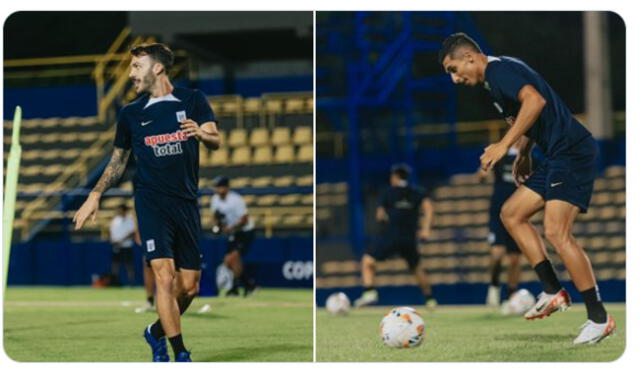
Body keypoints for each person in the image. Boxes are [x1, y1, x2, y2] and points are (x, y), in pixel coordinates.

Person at [438, 32, 615, 344]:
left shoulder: (497, 71)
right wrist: (523, 152)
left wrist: (503, 146)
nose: (454, 79)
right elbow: (529, 115)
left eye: (453, 70)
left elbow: (535, 101)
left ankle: (599, 318)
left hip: (571, 151)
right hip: (554, 154)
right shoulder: (495, 78)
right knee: (511, 213)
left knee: (557, 233)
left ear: (470, 57)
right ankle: (552, 290)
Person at [73, 43, 220, 361]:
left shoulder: (193, 100)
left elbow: (215, 139)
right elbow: (116, 162)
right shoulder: (130, 114)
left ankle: (154, 331)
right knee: (164, 276)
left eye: (136, 67)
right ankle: (179, 353)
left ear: (157, 68)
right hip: (150, 202)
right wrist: (95, 194)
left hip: (186, 203)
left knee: (190, 287)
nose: (129, 74)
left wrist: (201, 135)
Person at [354, 164, 436, 309]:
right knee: (417, 268)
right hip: (409, 238)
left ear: (395, 177)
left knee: (367, 261)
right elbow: (429, 208)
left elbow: (380, 215)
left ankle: (369, 292)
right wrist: (425, 229)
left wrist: (386, 218)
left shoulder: (388, 192)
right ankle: (430, 299)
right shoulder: (417, 192)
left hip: (392, 236)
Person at [478, 142, 522, 307]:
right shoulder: (501, 154)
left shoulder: (530, 157)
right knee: (497, 253)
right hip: (498, 212)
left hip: (518, 214)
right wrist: (484, 170)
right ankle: (494, 286)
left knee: (514, 259)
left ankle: (512, 294)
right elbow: (481, 175)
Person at [210, 176, 257, 296]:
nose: (217, 190)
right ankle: (248, 284)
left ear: (226, 187)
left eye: (219, 187)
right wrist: (217, 225)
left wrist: (230, 228)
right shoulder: (215, 199)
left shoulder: (236, 200)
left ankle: (235, 287)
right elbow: (216, 216)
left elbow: (245, 220)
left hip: (245, 231)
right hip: (233, 233)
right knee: (228, 260)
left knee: (233, 258)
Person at [109, 204, 136, 285]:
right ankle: (114, 282)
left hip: (127, 246)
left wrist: (121, 240)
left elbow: (132, 233)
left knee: (129, 265)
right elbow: (112, 232)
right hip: (117, 246)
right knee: (115, 264)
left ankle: (132, 283)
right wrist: (114, 241)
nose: (119, 212)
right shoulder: (115, 220)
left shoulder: (130, 219)